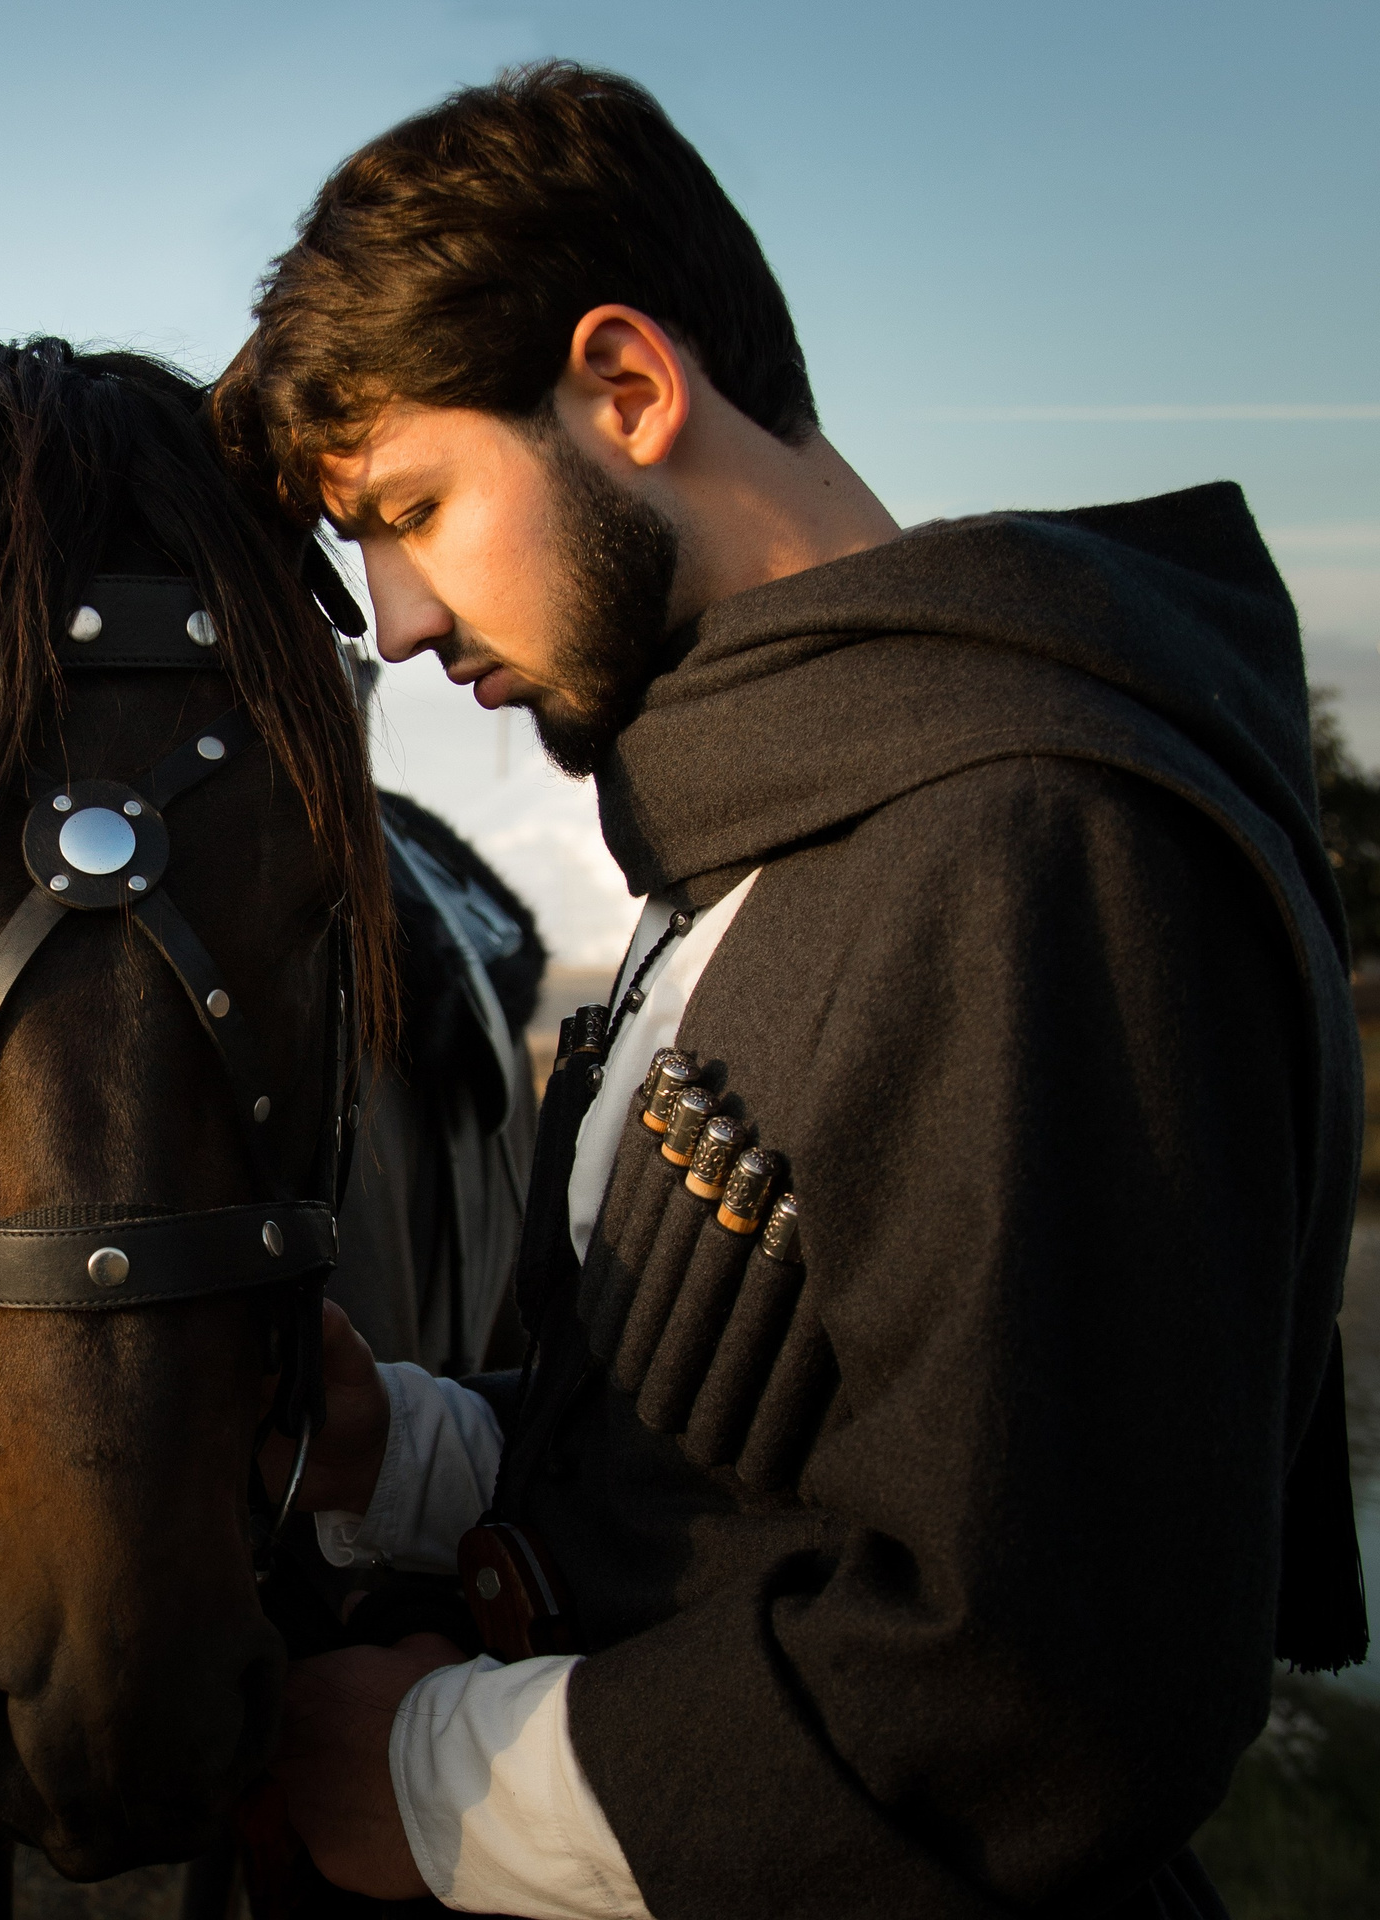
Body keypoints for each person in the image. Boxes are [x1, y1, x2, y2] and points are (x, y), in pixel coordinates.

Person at [217, 62, 1366, 1920]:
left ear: (630, 387)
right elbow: (744, 1489)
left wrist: (437, 1786)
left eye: (414, 507)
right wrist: (404, 1448)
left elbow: (1043, 1694)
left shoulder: (1027, 846)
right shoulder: (771, 833)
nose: (404, 623)